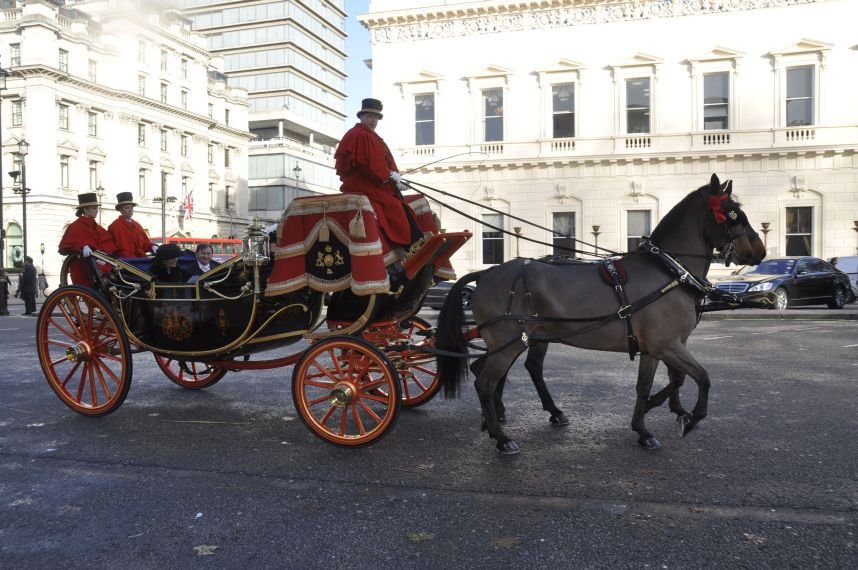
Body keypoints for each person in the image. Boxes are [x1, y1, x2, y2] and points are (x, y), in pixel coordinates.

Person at [334, 98, 422, 248]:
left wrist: (396, 182)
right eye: (369, 116)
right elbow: (369, 166)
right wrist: (389, 176)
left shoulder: (372, 136)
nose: (373, 120)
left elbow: (380, 165)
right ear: (361, 117)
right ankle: (403, 247)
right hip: (364, 186)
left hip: (377, 184)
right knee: (395, 207)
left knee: (406, 202)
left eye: (376, 117)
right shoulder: (359, 134)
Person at [58, 193, 118, 286]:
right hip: (84, 267)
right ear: (85, 209)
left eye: (96, 208)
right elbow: (65, 247)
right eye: (94, 208)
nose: (97, 211)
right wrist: (82, 246)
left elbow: (108, 245)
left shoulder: (98, 227)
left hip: (102, 265)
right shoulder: (75, 226)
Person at [108, 192, 157, 258]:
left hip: (140, 259)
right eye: (126, 208)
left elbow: (144, 243)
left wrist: (152, 246)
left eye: (131, 208)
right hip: (125, 262)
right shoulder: (114, 227)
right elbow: (113, 248)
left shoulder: (137, 225)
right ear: (120, 210)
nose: (130, 210)